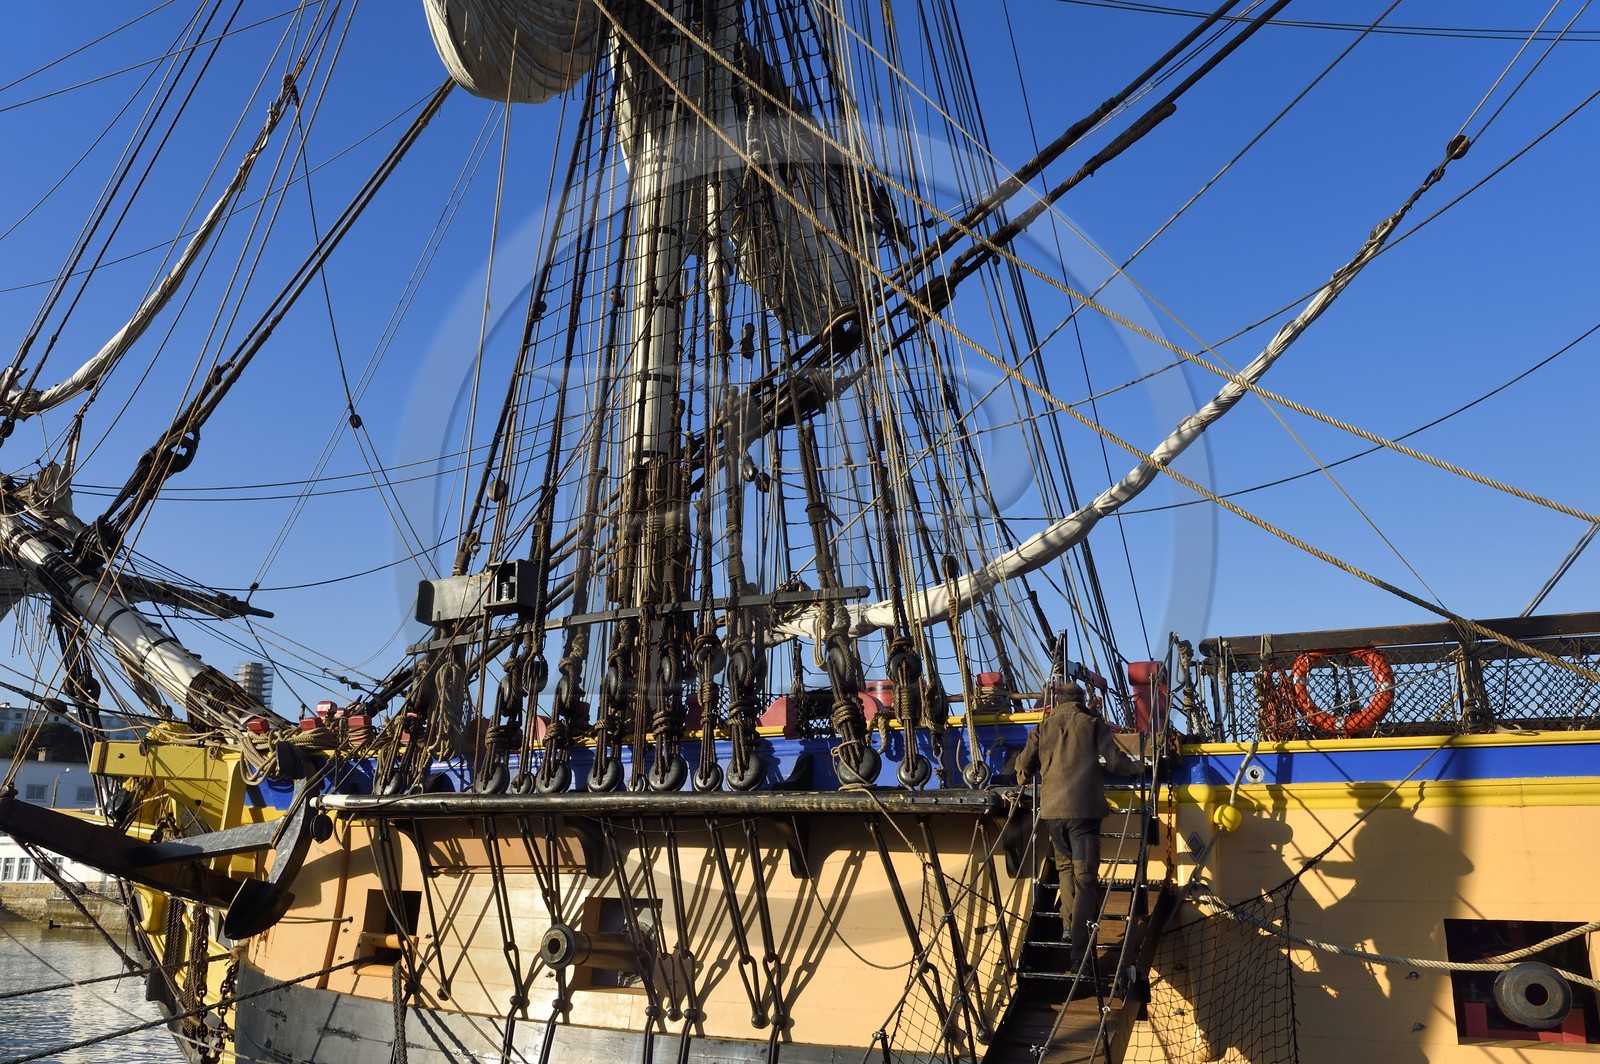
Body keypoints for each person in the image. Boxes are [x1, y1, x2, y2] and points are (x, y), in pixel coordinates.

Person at [1015, 681, 1143, 980]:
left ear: (1056, 701)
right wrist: (1139, 768)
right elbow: (1114, 762)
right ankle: (1080, 957)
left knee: (1064, 870)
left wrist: (1025, 775)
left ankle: (1069, 925)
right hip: (1084, 816)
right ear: (1082, 700)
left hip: (1053, 814)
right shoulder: (1091, 723)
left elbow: (1024, 767)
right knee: (1086, 880)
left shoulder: (1042, 727)